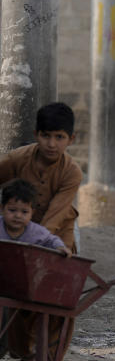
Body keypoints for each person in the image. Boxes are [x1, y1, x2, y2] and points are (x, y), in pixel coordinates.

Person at [2, 179, 70, 361]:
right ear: (2, 208)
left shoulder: (35, 232)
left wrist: (61, 248)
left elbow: (52, 240)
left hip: (26, 286)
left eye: (24, 212)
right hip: (3, 283)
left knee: (23, 318)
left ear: (32, 213)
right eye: (12, 210)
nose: (17, 216)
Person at [0, 102, 81, 252]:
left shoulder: (72, 172)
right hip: (17, 227)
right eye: (45, 136)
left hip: (57, 231)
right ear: (36, 134)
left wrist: (36, 245)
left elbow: (56, 215)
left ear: (71, 139)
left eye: (59, 137)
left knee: (60, 265)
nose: (51, 144)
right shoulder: (18, 158)